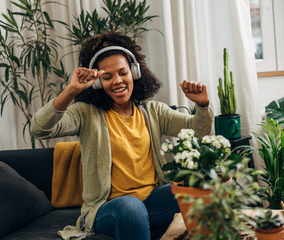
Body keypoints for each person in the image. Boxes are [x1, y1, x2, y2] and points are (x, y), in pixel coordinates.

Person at [31, 31, 214, 240]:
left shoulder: (153, 112)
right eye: (107, 77)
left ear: (135, 72)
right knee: (131, 206)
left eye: (122, 73)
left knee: (196, 184)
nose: (117, 81)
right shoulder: (86, 113)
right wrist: (71, 90)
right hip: (110, 210)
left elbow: (199, 130)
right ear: (98, 82)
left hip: (152, 204)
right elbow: (40, 128)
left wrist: (202, 105)